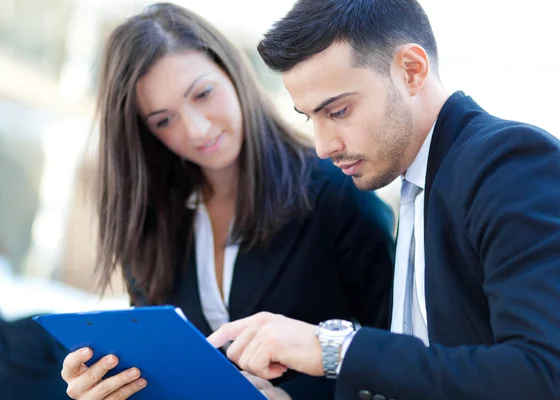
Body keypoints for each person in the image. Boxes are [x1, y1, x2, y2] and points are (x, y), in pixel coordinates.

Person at [207, 1, 560, 399]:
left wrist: (336, 349)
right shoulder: (416, 182)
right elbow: (431, 370)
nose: (323, 146)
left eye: (338, 111)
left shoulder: (509, 162)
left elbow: (542, 374)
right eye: (310, 118)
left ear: (412, 70)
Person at [59, 3, 395, 400]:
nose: (198, 130)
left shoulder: (336, 194)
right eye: (164, 120)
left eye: (202, 94)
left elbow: (399, 361)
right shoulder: (153, 220)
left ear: (233, 74)